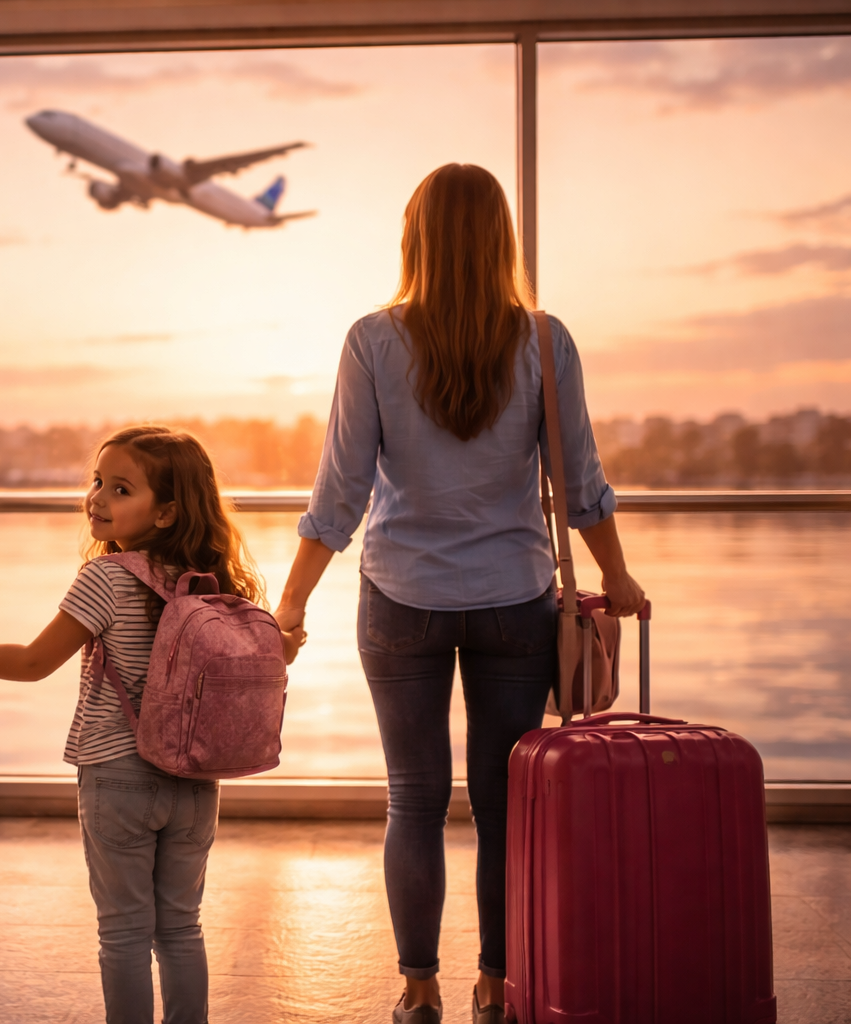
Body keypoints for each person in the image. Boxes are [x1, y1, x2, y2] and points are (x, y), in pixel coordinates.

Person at [272, 164, 645, 1024]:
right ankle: (494, 985)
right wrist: (616, 575)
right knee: (504, 802)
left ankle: (417, 989)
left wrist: (292, 603)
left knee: (413, 798)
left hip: (400, 596)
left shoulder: (373, 339)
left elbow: (339, 496)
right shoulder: (545, 342)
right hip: (515, 599)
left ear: (416, 239)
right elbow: (579, 483)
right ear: (500, 240)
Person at [0, 425, 304, 1024]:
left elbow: (31, 663)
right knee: (181, 927)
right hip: (195, 782)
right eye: (98, 481)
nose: (98, 498)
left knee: (125, 933)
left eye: (121, 488)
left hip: (118, 779)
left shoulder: (105, 579)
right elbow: (273, 655)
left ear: (165, 513)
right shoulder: (215, 587)